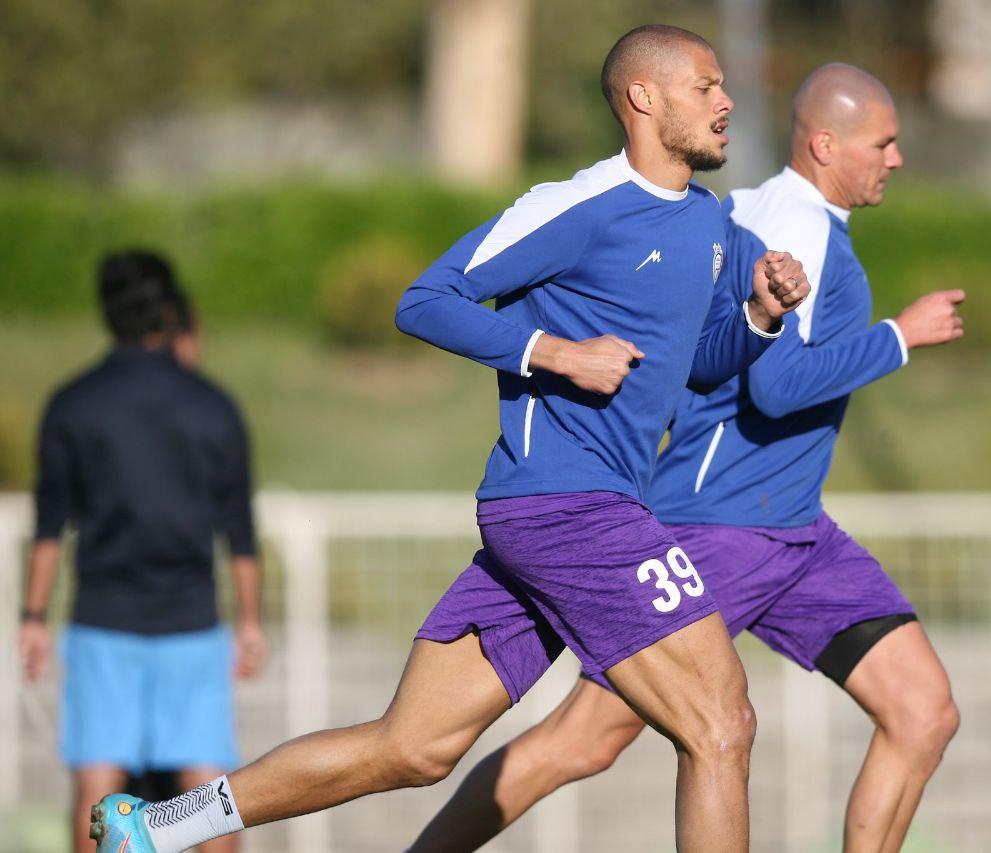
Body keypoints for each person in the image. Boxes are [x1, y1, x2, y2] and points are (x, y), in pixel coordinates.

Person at [90, 24, 809, 853]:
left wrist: (760, 315)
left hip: (565, 516)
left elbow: (696, 366)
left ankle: (154, 827)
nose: (727, 102)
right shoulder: (574, 207)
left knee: (412, 747)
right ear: (645, 98)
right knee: (721, 723)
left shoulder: (709, 224)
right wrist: (553, 352)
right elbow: (425, 300)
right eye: (707, 87)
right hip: (571, 508)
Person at [407, 63, 965, 853]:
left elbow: (719, 338)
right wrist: (899, 338)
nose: (897, 158)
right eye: (884, 143)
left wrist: (762, 314)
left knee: (923, 710)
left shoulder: (743, 218)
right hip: (719, 525)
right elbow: (776, 387)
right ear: (825, 143)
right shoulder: (790, 224)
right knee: (582, 740)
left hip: (795, 528)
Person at [17, 250, 268, 853]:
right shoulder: (213, 404)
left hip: (103, 621)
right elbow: (239, 531)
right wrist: (250, 621)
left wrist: (33, 617)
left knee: (97, 790)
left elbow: (50, 525)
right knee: (210, 792)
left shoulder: (73, 403)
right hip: (192, 623)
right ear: (171, 311)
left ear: (109, 313)